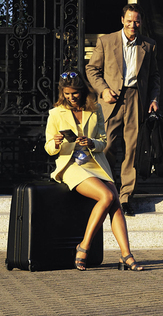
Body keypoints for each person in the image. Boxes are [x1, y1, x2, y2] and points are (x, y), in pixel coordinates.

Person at [44, 72, 144, 271]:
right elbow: (48, 148)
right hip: (71, 165)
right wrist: (55, 142)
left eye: (74, 93)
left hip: (94, 163)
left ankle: (126, 254)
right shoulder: (56, 113)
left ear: (82, 91)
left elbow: (103, 141)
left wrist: (91, 143)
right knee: (107, 196)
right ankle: (84, 246)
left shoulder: (95, 109)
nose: (71, 97)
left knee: (115, 203)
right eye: (67, 94)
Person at [85, 3, 160, 216]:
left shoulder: (149, 45)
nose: (132, 25)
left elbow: (154, 76)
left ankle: (126, 197)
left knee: (133, 149)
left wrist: (154, 99)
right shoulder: (106, 41)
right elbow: (92, 69)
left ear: (141, 22)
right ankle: (107, 191)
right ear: (122, 20)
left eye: (136, 21)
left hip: (137, 98)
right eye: (129, 21)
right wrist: (103, 90)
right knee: (106, 145)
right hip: (111, 100)